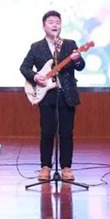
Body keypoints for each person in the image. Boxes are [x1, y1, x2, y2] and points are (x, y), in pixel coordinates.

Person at [20, 10, 85, 181]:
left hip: (67, 94)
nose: (55, 25)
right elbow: (24, 67)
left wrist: (77, 59)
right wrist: (35, 76)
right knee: (47, 132)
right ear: (44, 26)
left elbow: (80, 66)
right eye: (51, 22)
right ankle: (45, 167)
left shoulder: (69, 44)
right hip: (47, 96)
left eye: (57, 22)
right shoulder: (36, 47)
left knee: (66, 133)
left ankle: (66, 167)